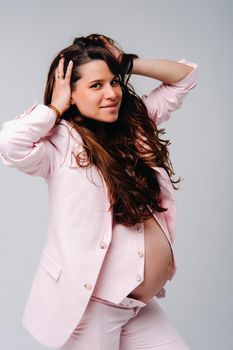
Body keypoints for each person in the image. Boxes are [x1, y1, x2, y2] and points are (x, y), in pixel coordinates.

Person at [0, 34, 198, 349]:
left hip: (136, 306)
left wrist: (127, 62)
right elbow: (9, 144)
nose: (111, 93)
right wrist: (54, 107)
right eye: (96, 86)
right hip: (91, 308)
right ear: (71, 94)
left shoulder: (134, 127)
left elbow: (185, 78)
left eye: (114, 82)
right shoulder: (60, 143)